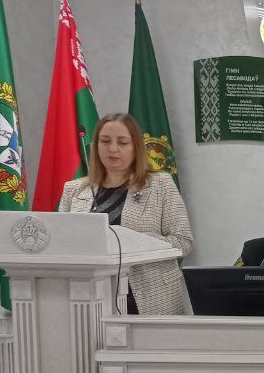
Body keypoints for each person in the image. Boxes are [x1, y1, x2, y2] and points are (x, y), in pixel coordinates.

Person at [58, 113, 192, 315]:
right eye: (105, 141)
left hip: (152, 297)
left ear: (136, 147)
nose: (113, 149)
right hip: (90, 297)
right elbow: (61, 244)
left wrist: (136, 242)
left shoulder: (160, 184)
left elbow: (183, 242)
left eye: (122, 142)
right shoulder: (74, 190)